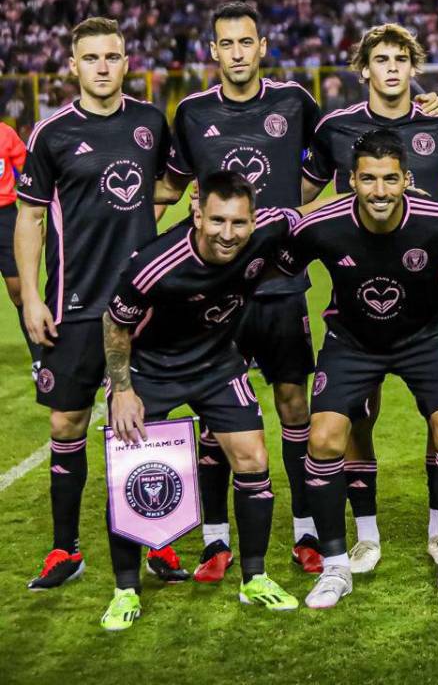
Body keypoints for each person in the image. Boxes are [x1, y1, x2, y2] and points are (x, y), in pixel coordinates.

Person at [278, 129, 438, 606]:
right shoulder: (322, 224)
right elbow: (278, 263)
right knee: (324, 438)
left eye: (390, 179)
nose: (379, 191)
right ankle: (335, 567)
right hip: (352, 340)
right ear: (351, 180)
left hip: (427, 336)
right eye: (368, 179)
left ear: (407, 179)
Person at [301, 23, 438, 572]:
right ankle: (366, 535)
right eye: (381, 59)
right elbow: (296, 200)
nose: (393, 68)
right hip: (356, 305)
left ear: (414, 66)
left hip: (428, 305)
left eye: (402, 59)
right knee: (354, 420)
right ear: (364, 69)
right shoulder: (335, 127)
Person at [17, 17, 187, 590]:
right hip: (74, 304)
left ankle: (156, 539)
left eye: (112, 57)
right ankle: (65, 551)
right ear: (74, 65)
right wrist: (29, 298)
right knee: (67, 422)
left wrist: (142, 230)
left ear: (125, 61)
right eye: (91, 58)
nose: (103, 67)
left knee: (148, 420)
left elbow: (166, 186)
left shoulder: (147, 121)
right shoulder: (51, 133)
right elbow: (31, 217)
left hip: (143, 304)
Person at [161, 0, 325, 578]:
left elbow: (333, 154)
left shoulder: (295, 101)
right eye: (225, 44)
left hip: (281, 284)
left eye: (245, 43)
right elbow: (172, 185)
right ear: (214, 51)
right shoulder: (191, 112)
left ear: (262, 48)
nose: (236, 53)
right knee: (214, 416)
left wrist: (292, 202)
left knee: (292, 405)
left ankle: (305, 532)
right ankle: (214, 540)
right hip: (214, 290)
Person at [101, 170, 302, 630]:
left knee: (253, 458)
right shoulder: (156, 264)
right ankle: (124, 590)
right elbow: (115, 323)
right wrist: (124, 390)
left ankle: (256, 579)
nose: (227, 234)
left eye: (238, 223)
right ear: (196, 214)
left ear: (254, 219)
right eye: (216, 221)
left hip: (217, 365)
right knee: (128, 472)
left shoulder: (268, 229)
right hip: (150, 372)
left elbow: (306, 217)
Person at [0, 120, 37, 363]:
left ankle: (39, 358)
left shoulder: (5, 133)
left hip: (5, 218)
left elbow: (30, 171)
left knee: (18, 291)